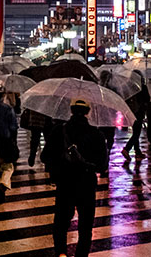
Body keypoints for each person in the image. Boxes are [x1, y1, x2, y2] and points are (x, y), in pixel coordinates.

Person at [43, 99, 108, 257]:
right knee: (85, 227)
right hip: (86, 184)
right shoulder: (96, 134)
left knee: (61, 223)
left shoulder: (59, 130)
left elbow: (45, 156)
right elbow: (102, 165)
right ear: (88, 112)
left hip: (65, 183)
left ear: (71, 110)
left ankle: (61, 253)